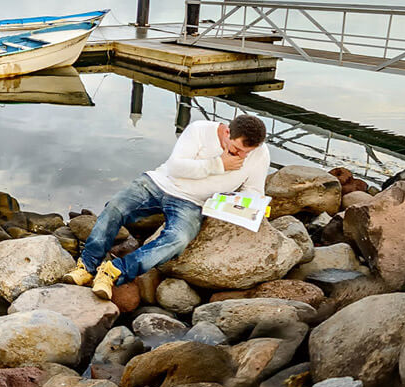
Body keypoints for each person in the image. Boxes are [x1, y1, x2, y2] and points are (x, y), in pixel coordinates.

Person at [63, 114, 270, 299]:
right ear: (227, 132)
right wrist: (219, 165)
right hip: (159, 184)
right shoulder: (199, 130)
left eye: (247, 153)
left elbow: (253, 190)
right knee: (116, 207)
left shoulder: (259, 154)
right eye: (237, 150)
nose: (242, 157)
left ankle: (113, 272)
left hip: (192, 203)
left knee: (178, 239)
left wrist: (237, 203)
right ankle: (87, 266)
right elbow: (176, 167)